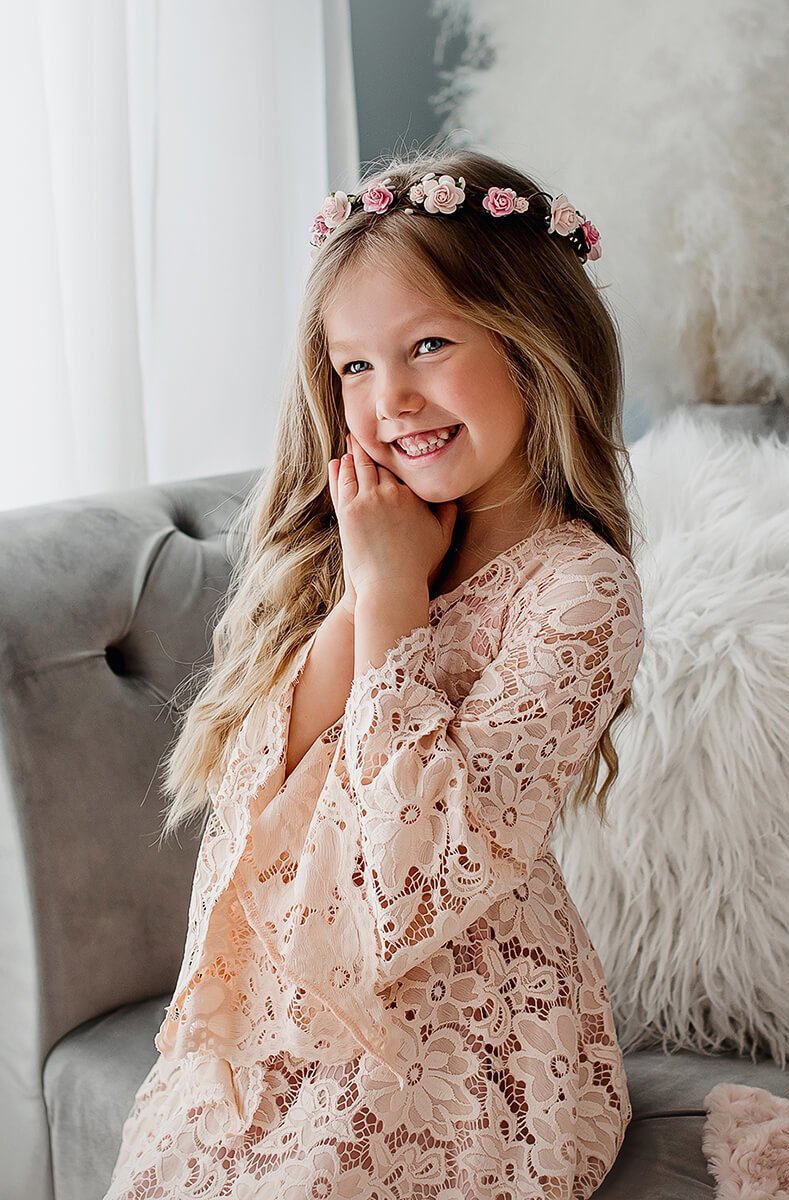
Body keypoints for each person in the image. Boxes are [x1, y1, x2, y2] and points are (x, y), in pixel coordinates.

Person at [103, 142, 646, 1200]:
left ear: (538, 345)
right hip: (283, 1021)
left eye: (428, 344)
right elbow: (263, 787)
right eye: (354, 366)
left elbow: (409, 881)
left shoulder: (577, 595)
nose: (388, 397)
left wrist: (392, 597)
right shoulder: (373, 544)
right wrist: (370, 586)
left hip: (464, 1052)